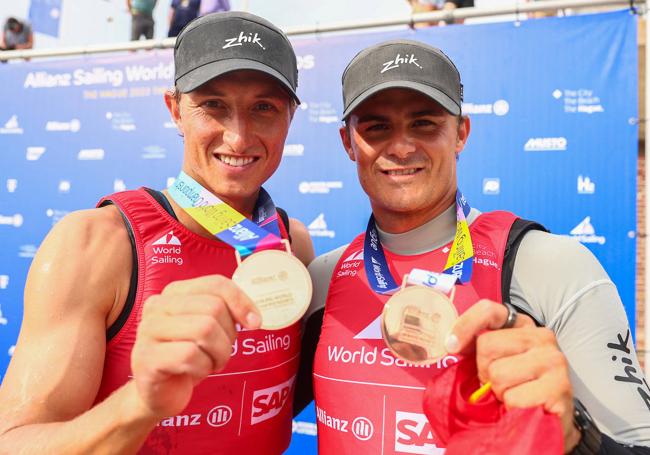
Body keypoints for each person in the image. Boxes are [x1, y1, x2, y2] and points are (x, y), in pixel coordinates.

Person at [296, 40, 650, 453]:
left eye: (424, 123)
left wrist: (574, 436)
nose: (402, 146)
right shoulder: (323, 277)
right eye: (376, 126)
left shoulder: (549, 265)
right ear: (348, 142)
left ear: (461, 133)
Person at [0, 11, 314, 454]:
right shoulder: (97, 244)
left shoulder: (291, 244)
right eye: (213, 105)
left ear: (290, 118)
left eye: (264, 107)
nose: (239, 137)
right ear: (175, 110)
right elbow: (14, 444)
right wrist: (140, 403)